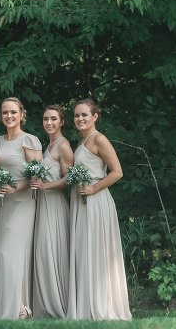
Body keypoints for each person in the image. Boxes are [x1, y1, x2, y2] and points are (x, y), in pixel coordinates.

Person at [67, 99, 131, 320]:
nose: (80, 119)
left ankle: (102, 305)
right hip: (80, 201)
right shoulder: (81, 142)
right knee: (84, 250)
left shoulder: (99, 139)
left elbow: (117, 172)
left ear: (95, 117)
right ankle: (86, 304)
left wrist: (93, 188)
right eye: (77, 115)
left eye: (85, 115)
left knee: (95, 249)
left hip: (95, 201)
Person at [0, 97, 42, 320]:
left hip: (22, 201)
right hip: (3, 203)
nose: (9, 116)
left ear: (22, 114)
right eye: (5, 112)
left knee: (9, 252)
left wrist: (15, 188)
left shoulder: (30, 140)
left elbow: (37, 174)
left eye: (13, 112)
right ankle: (20, 306)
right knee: (5, 254)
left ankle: (17, 308)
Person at [30, 104, 73, 318]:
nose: (49, 123)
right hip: (43, 204)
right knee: (43, 251)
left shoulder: (63, 145)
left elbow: (69, 179)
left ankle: (60, 303)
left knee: (53, 249)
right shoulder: (49, 145)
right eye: (46, 119)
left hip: (55, 204)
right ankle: (45, 303)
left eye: (53, 119)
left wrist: (45, 186)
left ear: (62, 121)